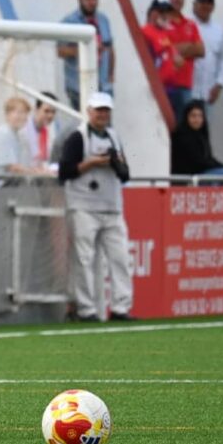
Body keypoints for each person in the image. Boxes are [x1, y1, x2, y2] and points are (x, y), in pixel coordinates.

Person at [58, 91, 134, 322]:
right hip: (83, 206)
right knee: (83, 259)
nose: (102, 114)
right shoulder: (77, 138)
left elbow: (125, 174)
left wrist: (115, 163)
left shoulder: (114, 137)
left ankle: (121, 307)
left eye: (105, 111)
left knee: (121, 258)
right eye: (98, 110)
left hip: (112, 206)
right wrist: (91, 163)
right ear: (89, 111)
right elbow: (65, 171)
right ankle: (86, 308)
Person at [57, 0, 114, 109]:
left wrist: (110, 76)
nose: (92, 2)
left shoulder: (103, 20)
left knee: (105, 125)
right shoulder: (69, 22)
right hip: (78, 84)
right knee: (85, 123)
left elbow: (110, 48)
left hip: (102, 84)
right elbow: (60, 51)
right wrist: (85, 49)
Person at [162, 0, 205, 122]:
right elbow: (161, 49)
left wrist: (175, 49)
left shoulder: (190, 24)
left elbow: (200, 50)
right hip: (165, 85)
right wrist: (187, 47)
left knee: (184, 127)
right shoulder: (160, 22)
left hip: (185, 84)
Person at [171, 102, 223, 175]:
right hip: (191, 176)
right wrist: (222, 168)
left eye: (200, 116)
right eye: (193, 116)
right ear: (186, 117)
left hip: (204, 171)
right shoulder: (182, 136)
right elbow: (199, 163)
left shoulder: (201, 135)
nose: (197, 119)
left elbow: (209, 158)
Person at [191, 0, 223, 115]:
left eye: (209, 3)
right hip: (188, 90)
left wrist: (219, 85)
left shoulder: (219, 30)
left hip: (208, 92)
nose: (205, 6)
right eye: (202, 2)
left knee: (203, 132)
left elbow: (222, 59)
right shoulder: (187, 25)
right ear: (194, 4)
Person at [141, 0, 183, 95]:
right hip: (156, 88)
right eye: (161, 12)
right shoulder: (145, 32)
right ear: (152, 12)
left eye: (168, 12)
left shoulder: (165, 32)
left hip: (170, 87)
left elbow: (177, 60)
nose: (165, 15)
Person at [0, 97, 42, 177]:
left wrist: (38, 170)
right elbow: (11, 167)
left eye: (25, 113)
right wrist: (37, 173)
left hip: (13, 185)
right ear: (7, 114)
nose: (23, 117)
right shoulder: (3, 133)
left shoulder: (20, 135)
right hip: (1, 186)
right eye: (19, 112)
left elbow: (27, 164)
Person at [22, 91, 60, 169]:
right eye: (46, 111)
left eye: (53, 112)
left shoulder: (48, 130)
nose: (50, 115)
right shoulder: (24, 129)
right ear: (36, 109)